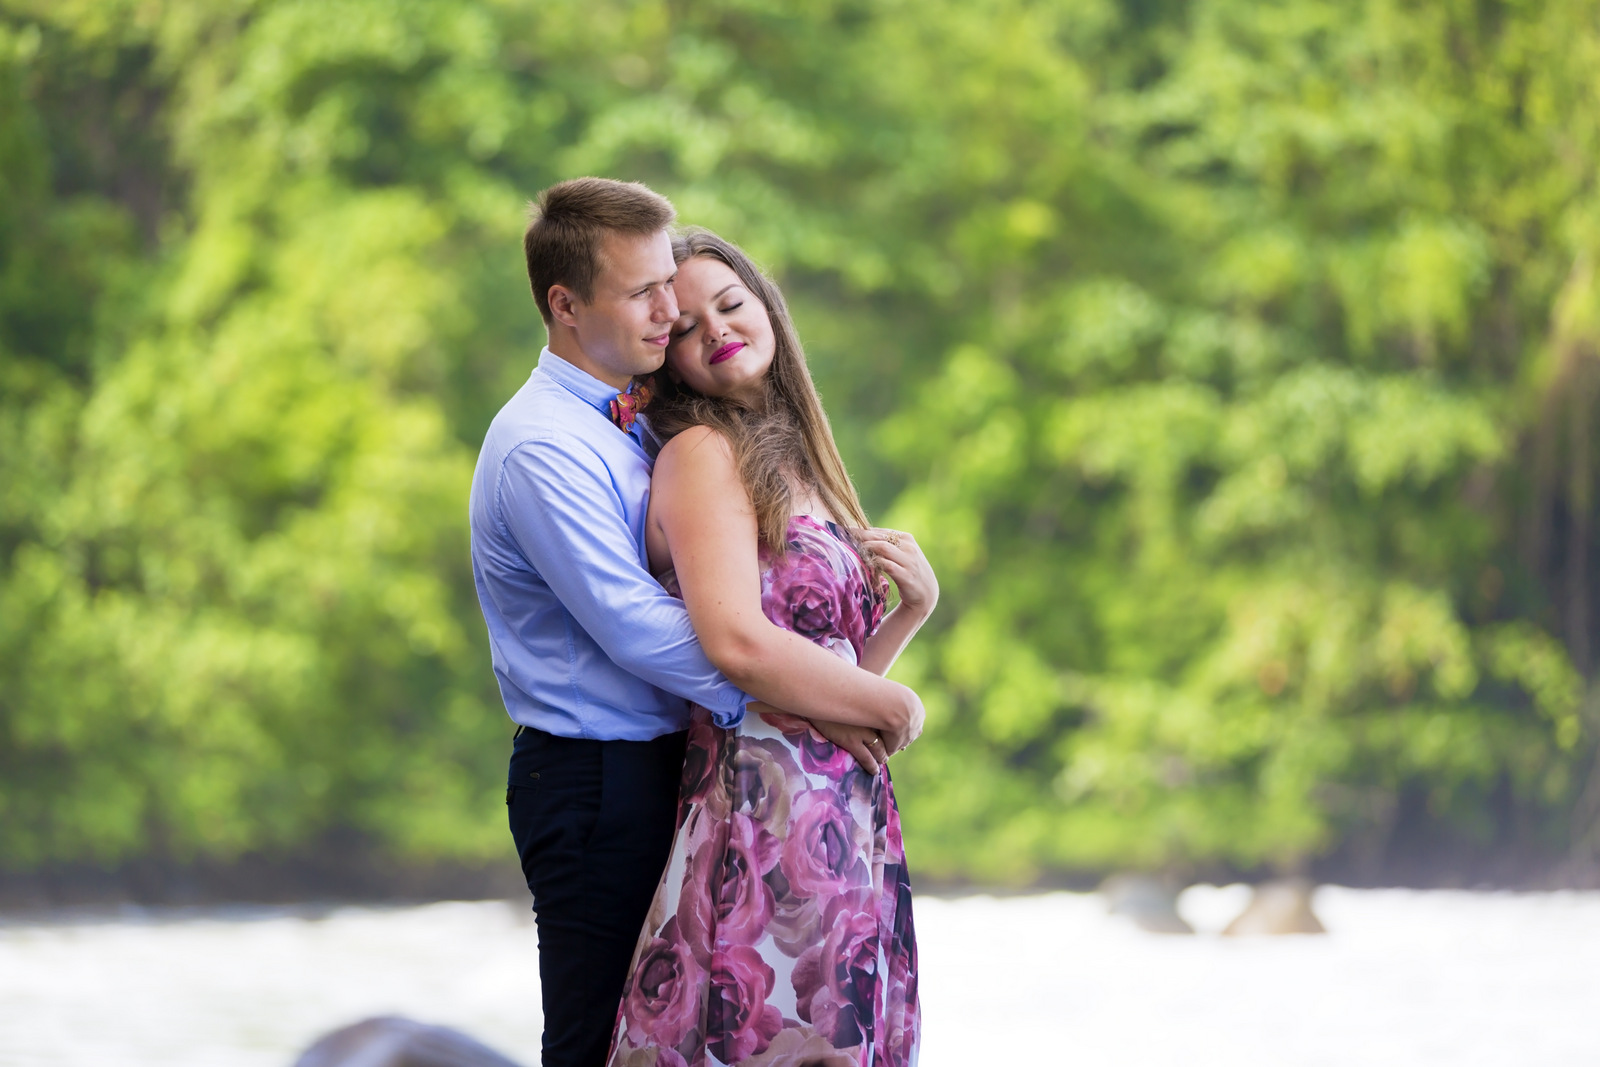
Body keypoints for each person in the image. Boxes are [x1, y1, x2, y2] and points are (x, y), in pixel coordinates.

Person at [468, 178, 925, 1067]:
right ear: (565, 306)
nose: (669, 309)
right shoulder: (544, 446)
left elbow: (768, 633)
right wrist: (815, 698)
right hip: (596, 778)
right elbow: (654, 629)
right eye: (649, 296)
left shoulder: (636, 429)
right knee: (601, 1039)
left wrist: (848, 668)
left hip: (690, 765)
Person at [605, 231, 935, 1067]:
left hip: (842, 815)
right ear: (667, 359)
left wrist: (910, 614)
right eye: (685, 326)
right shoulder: (701, 455)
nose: (715, 329)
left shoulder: (801, 465)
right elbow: (739, 647)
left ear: (767, 308)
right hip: (760, 815)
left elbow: (825, 682)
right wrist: (900, 706)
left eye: (730, 303)